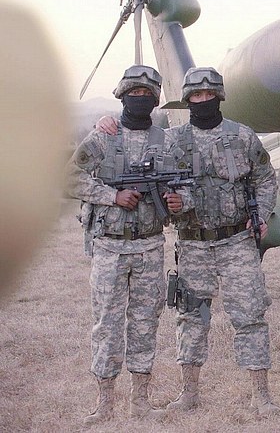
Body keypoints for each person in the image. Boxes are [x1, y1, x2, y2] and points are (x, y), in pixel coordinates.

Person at [67, 65, 169, 424]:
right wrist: (112, 196)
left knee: (145, 323)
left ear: (155, 99)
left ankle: (140, 401)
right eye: (134, 93)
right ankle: (105, 404)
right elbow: (68, 178)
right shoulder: (103, 137)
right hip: (110, 248)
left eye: (147, 94)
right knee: (107, 325)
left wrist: (177, 200)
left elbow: (182, 185)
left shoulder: (165, 140)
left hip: (149, 247)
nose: (140, 99)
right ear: (123, 96)